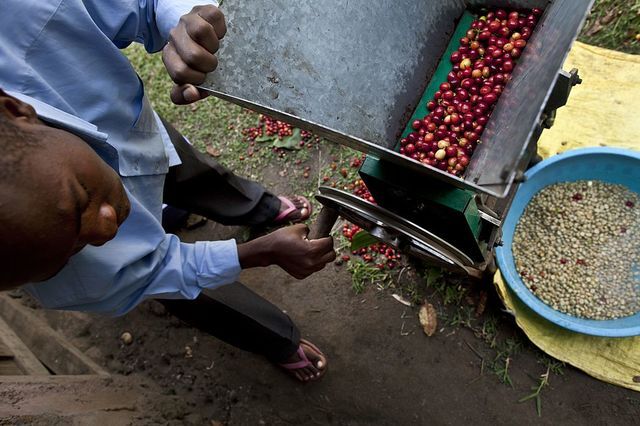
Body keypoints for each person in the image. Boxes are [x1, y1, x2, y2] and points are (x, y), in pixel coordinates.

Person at [0, 0, 335, 382]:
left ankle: (260, 208)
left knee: (193, 173)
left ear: (15, 110)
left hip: (133, 133)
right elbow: (157, 271)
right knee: (193, 293)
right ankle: (279, 338)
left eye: (77, 200)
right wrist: (257, 253)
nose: (108, 232)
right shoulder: (64, 275)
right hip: (104, 155)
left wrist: (183, 28)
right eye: (72, 252)